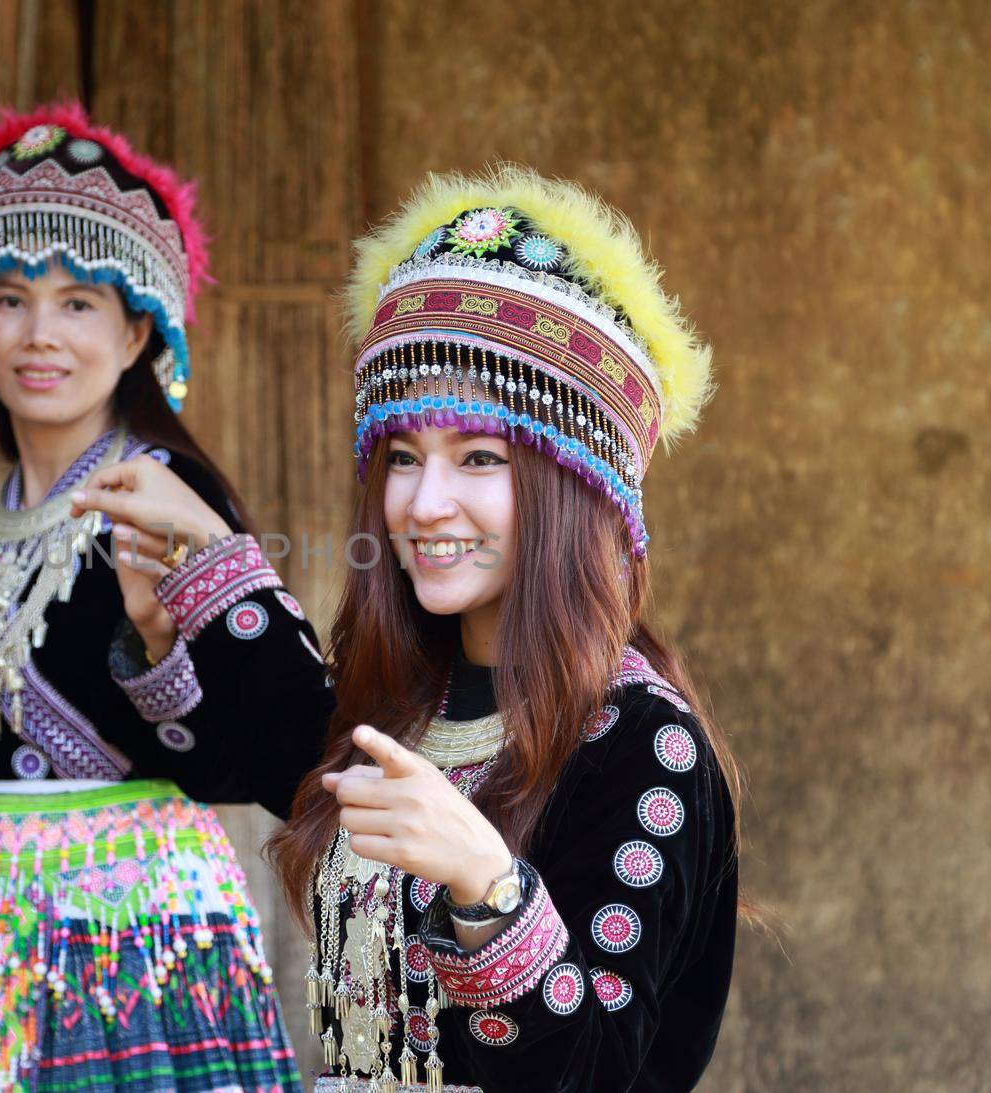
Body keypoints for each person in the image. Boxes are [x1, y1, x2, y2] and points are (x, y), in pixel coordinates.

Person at [260, 166, 744, 1092]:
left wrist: (491, 886)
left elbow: (602, 1071)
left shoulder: (646, 744)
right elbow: (247, 735)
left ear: (578, 483)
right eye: (403, 457)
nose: (424, 502)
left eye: (479, 456)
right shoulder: (399, 703)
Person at [0, 103, 327, 1092]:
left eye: (79, 302)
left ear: (137, 334)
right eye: (9, 298)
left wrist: (159, 639)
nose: (39, 334)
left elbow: (263, 742)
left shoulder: (161, 491)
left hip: (122, 942)